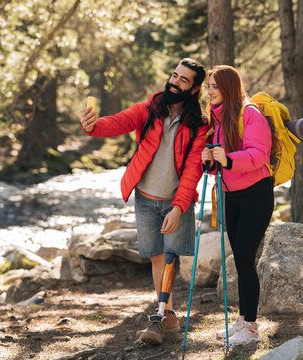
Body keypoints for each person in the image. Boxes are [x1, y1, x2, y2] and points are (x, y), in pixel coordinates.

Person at [79, 58, 209, 345]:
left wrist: (178, 208)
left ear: (195, 89)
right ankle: (169, 314)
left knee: (170, 258)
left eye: (183, 80)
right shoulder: (150, 109)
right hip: (146, 199)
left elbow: (192, 170)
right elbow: (118, 123)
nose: (175, 82)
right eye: (174, 75)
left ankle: (160, 318)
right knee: (157, 258)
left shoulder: (199, 125)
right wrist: (92, 126)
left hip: (176, 201)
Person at [201, 65, 274, 346]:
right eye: (208, 87)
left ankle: (251, 327)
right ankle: (243, 321)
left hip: (257, 193)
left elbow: (258, 155)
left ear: (229, 88)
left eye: (214, 87)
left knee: (244, 257)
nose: (209, 92)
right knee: (240, 259)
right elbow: (219, 164)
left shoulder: (250, 114)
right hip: (231, 195)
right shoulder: (217, 120)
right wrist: (209, 161)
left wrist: (228, 159)